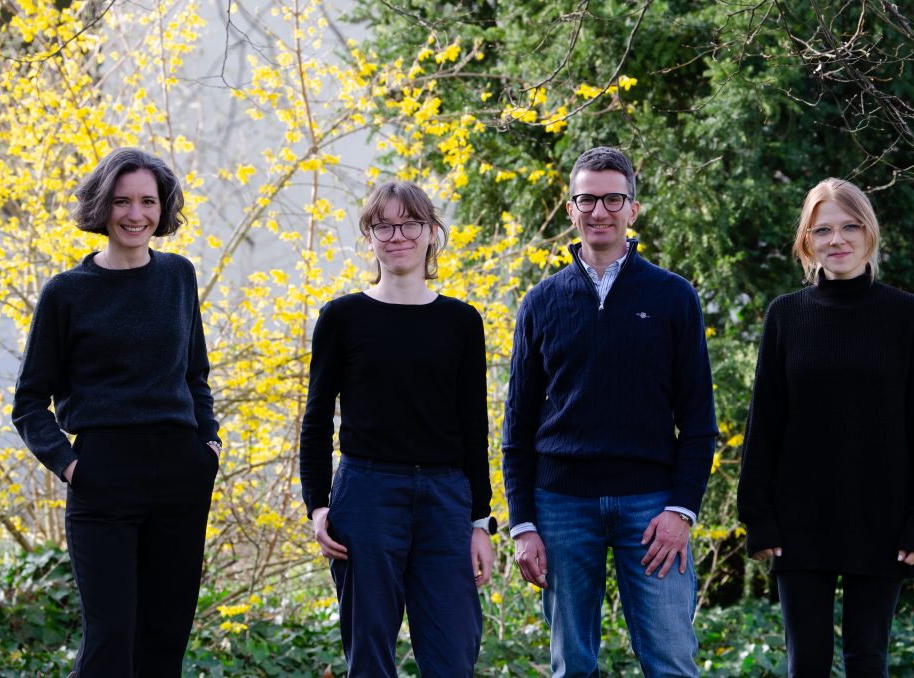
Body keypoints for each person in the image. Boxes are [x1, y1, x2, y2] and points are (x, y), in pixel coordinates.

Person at [502, 146, 718, 677]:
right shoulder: (541, 302)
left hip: (652, 507)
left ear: (633, 209)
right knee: (572, 666)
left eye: (613, 199)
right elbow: (517, 425)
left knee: (671, 660)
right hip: (560, 505)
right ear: (571, 209)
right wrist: (523, 523)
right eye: (587, 200)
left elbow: (698, 419)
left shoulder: (673, 297)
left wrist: (681, 511)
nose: (599, 211)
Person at [11, 147, 221, 677]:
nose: (136, 214)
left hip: (181, 471)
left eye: (148, 201)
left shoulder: (178, 276)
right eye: (122, 201)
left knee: (165, 636)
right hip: (104, 474)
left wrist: (209, 445)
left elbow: (194, 374)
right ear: (102, 206)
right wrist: (71, 467)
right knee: (110, 640)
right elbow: (29, 401)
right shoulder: (66, 293)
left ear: (163, 208)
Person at [737, 178, 914, 676]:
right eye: (823, 230)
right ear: (807, 241)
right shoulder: (786, 316)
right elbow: (764, 423)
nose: (837, 240)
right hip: (799, 521)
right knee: (806, 663)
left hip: (883, 519)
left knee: (867, 660)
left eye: (850, 227)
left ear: (870, 232)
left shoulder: (908, 317)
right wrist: (758, 517)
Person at [298, 181, 495, 677]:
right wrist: (317, 505)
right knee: (369, 655)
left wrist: (479, 522)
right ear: (369, 237)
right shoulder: (342, 317)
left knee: (453, 655)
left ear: (431, 232)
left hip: (446, 498)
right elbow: (317, 417)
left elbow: (475, 426)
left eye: (409, 223)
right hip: (367, 494)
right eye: (383, 226)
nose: (397, 235)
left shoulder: (461, 321)